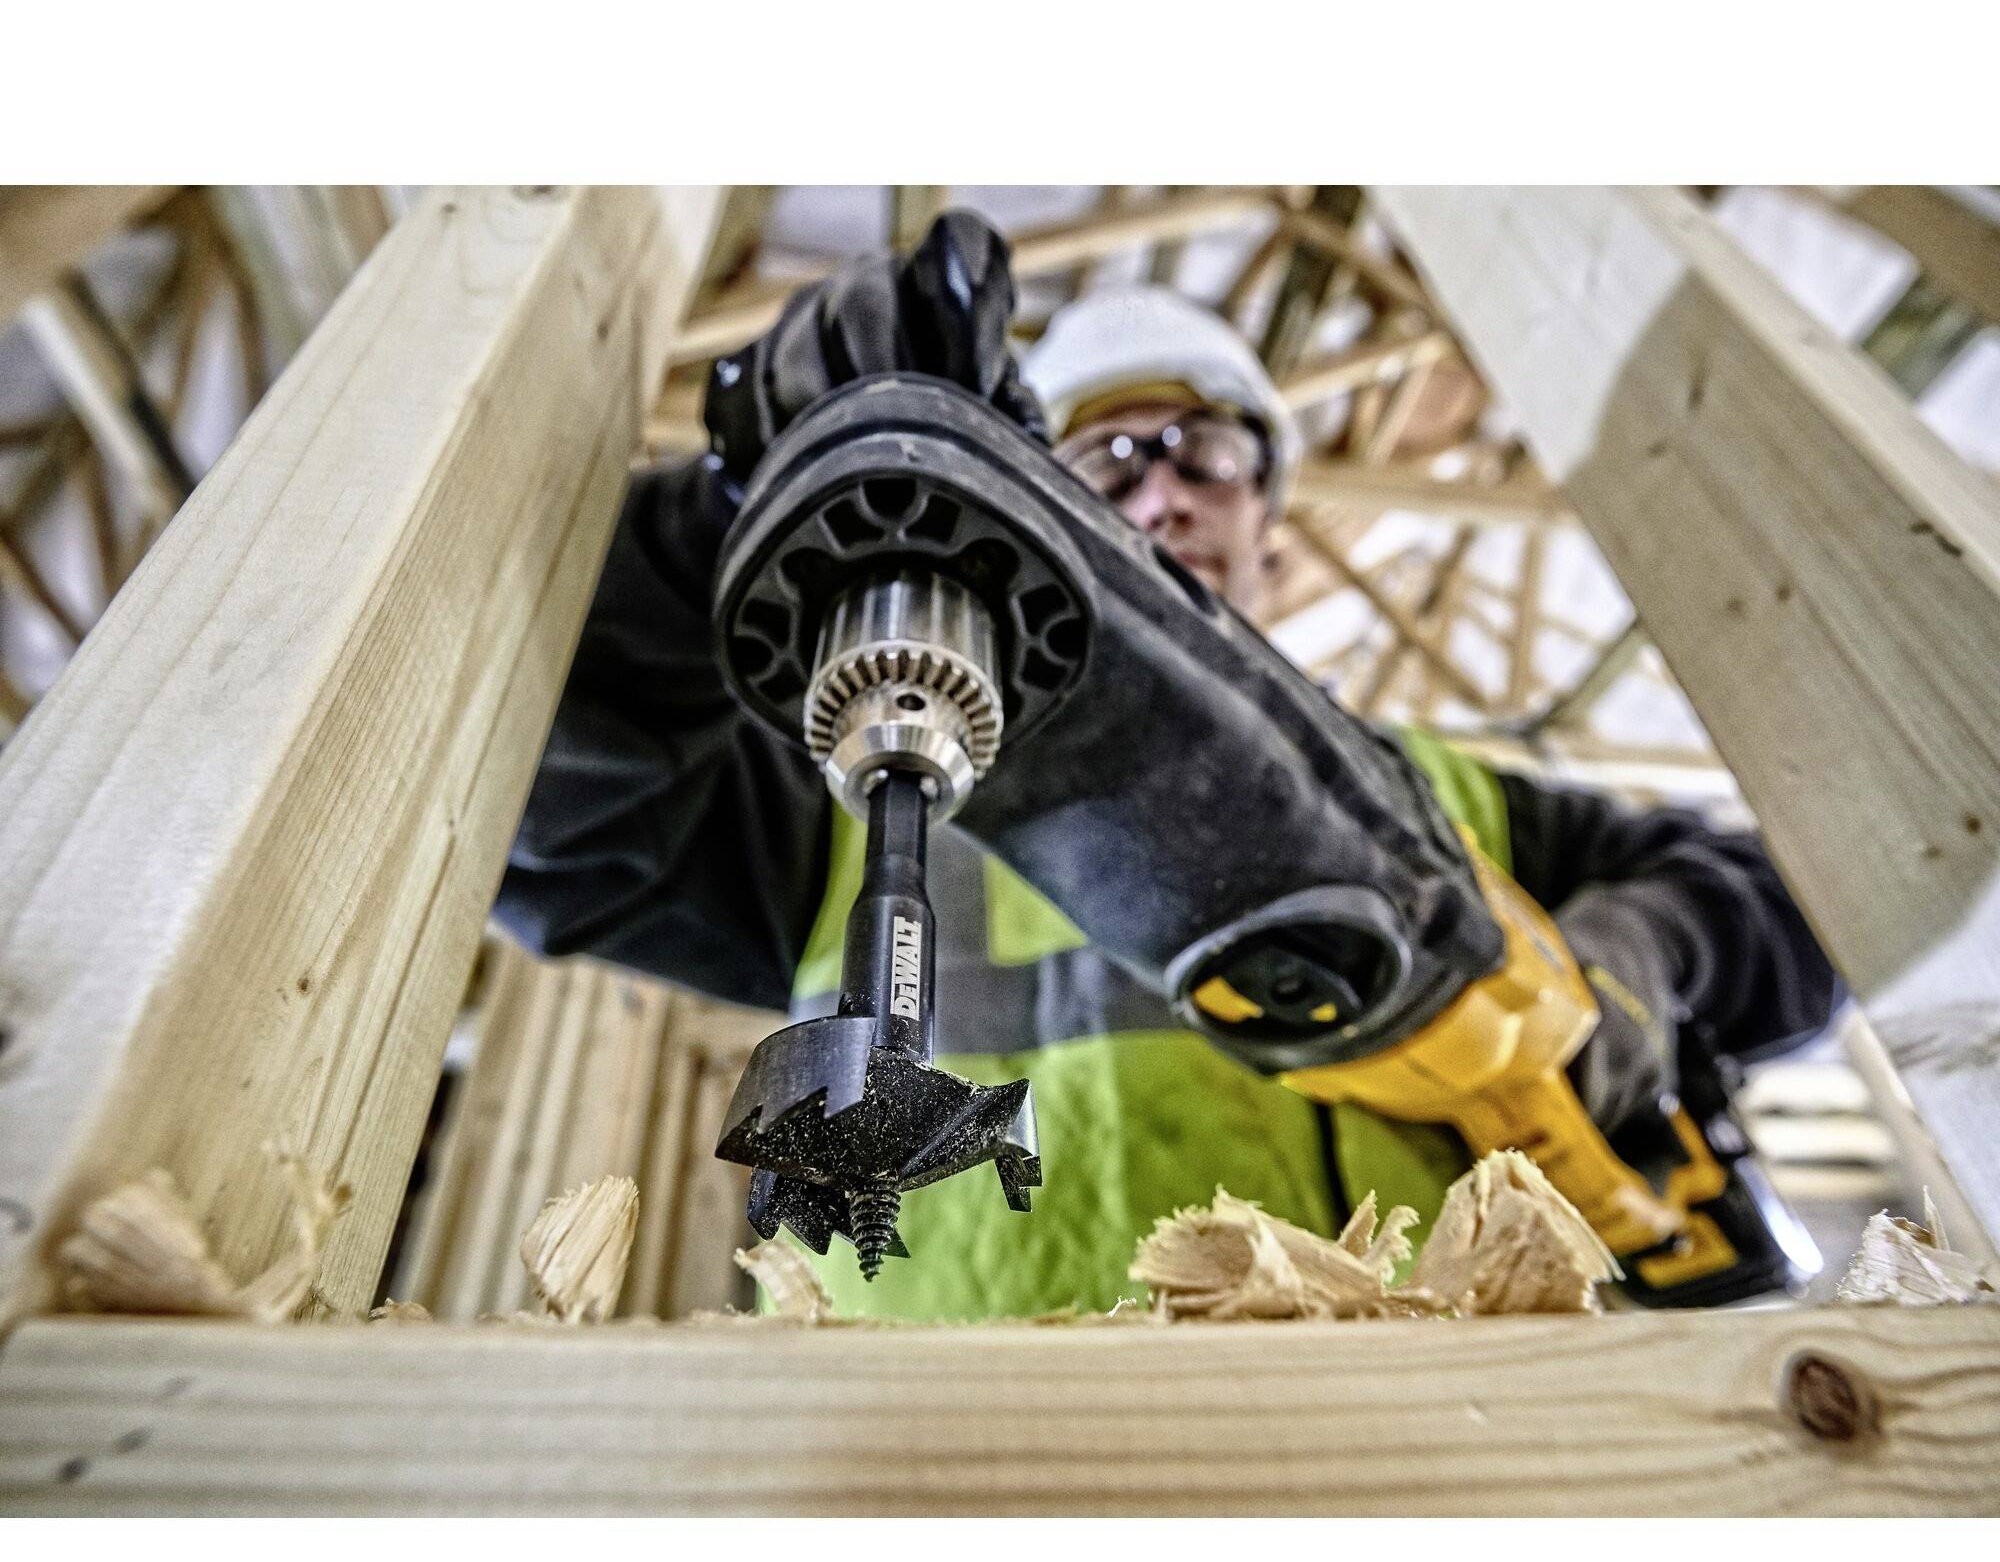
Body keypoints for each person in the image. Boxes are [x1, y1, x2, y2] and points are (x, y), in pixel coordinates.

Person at [498, 212, 1838, 1318]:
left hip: (1429, 1449)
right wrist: (743, 502)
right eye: (1107, 460)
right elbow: (541, 775)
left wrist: (1640, 961)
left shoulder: (1455, 798)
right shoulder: (872, 789)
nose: (1160, 492)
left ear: (1271, 524)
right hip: (927, 1466)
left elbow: (1794, 907)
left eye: (1207, 454)